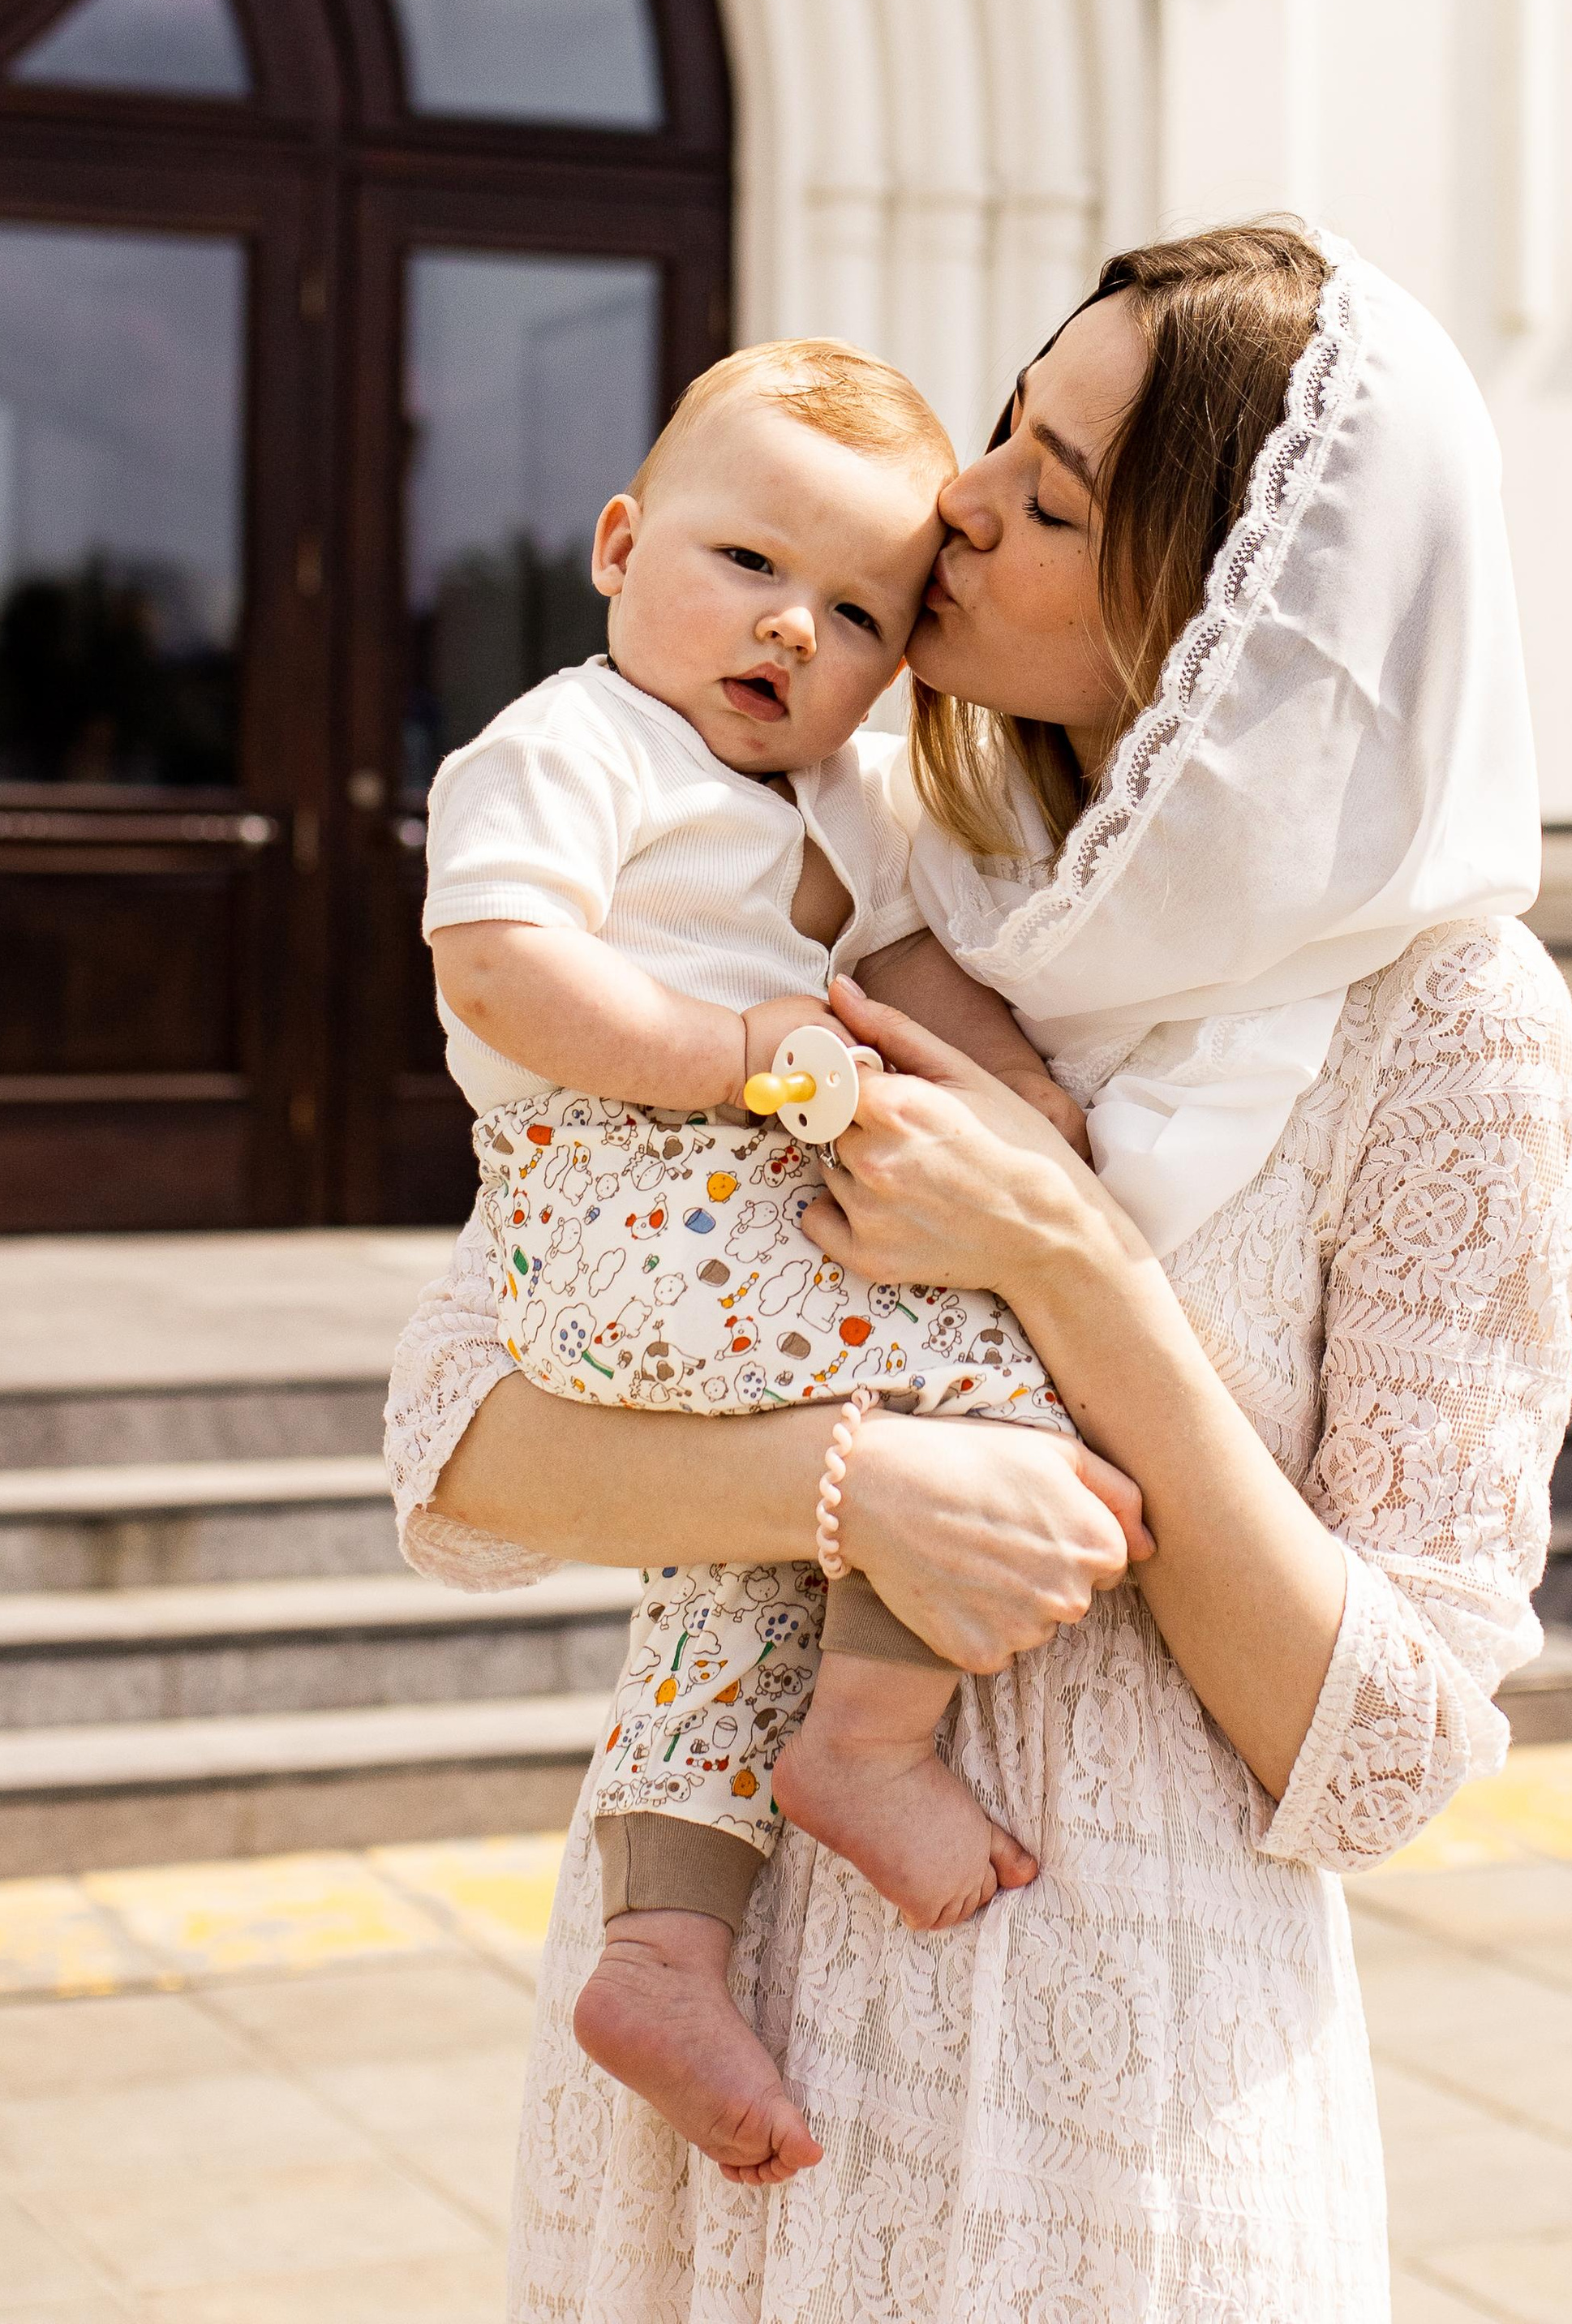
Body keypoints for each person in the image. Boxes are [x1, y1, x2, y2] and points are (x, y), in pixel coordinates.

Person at [385, 221, 1572, 2323]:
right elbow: (454, 1450)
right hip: (705, 2018)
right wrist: (847, 1491)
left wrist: (1062, 1259)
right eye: (1008, 431)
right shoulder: (850, 872)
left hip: (1099, 2094)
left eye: (1047, 492)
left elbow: (1388, 1751)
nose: (961, 500)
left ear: (1239, 614)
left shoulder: (1441, 1018)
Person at [420, 337, 1131, 2186]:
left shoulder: (843, 803)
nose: (794, 633)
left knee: (735, 1594)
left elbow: (899, 975)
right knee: (990, 1387)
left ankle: (659, 1951)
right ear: (617, 544)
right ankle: (874, 1746)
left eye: (857, 612)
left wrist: (1022, 1098)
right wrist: (735, 1058)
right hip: (613, 1192)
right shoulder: (568, 744)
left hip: (727, 1210)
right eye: (748, 568)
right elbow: (500, 966)